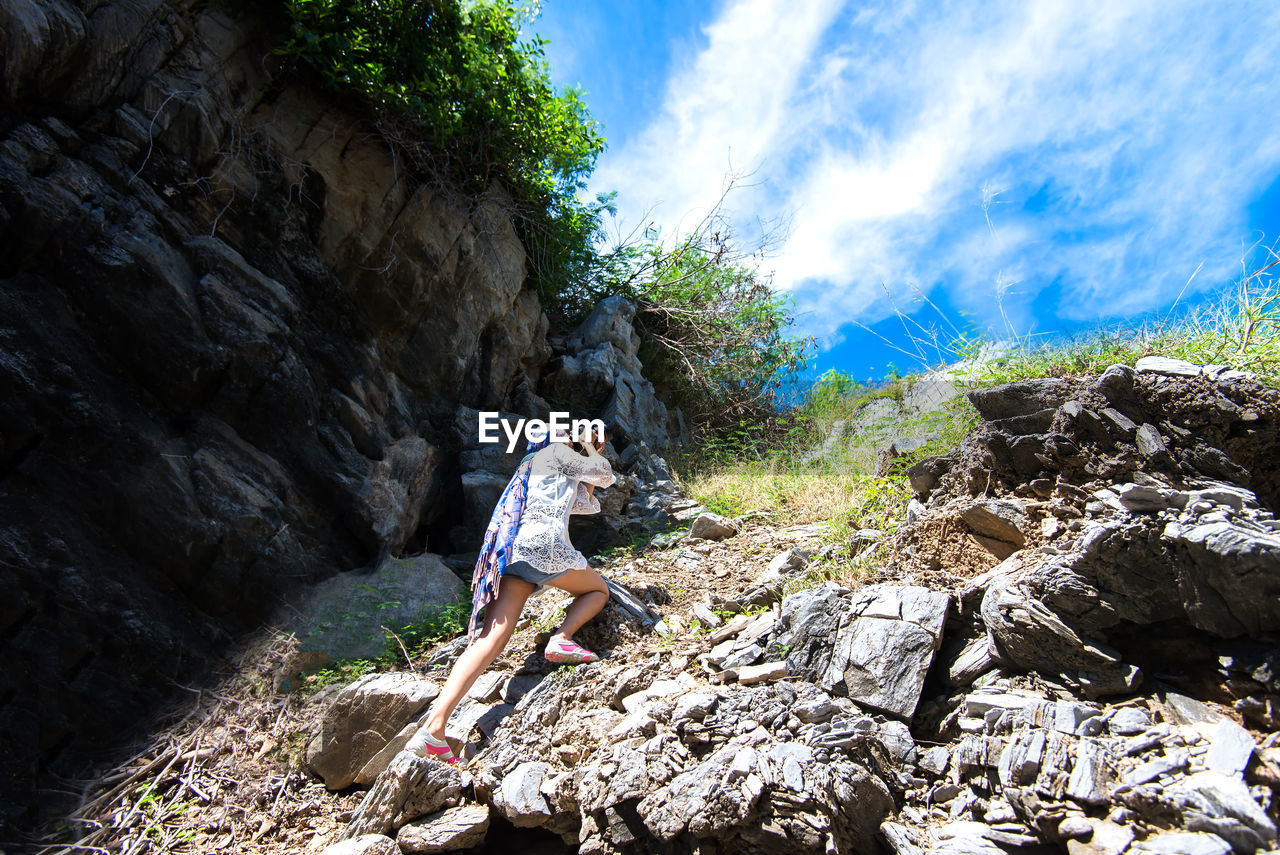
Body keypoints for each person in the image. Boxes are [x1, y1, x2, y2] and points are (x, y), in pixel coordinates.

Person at [404, 423, 616, 764]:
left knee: (489, 640)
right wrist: (592, 451)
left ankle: (434, 727)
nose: (569, 437)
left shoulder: (530, 465)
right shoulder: (558, 453)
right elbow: (606, 476)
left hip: (513, 554)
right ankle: (562, 637)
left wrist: (590, 460)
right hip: (545, 549)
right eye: (564, 433)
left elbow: (584, 502)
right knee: (598, 589)